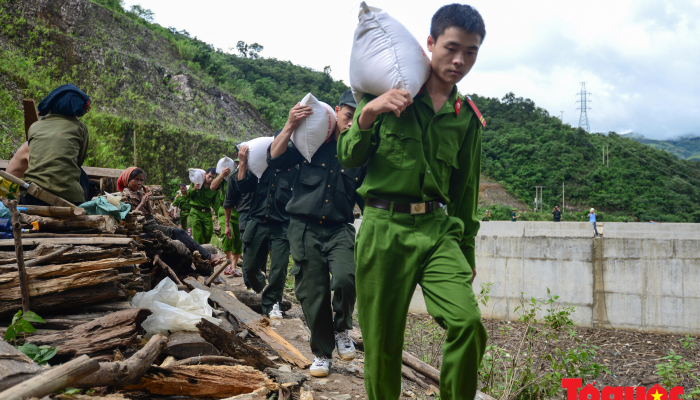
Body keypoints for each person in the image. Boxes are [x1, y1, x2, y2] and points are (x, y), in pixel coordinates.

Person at [337, 5, 488, 399]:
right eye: (452, 48)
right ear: (431, 44)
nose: (459, 60)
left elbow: (464, 197)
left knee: (467, 322)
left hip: (438, 232)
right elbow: (348, 156)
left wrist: (467, 255)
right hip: (384, 228)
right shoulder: (391, 93)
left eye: (470, 52)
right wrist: (367, 113)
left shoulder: (466, 118)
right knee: (382, 344)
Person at [268, 90, 365, 378]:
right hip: (304, 227)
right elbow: (275, 159)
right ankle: (322, 353)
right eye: (348, 116)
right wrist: (289, 125)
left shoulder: (361, 154)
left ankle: (341, 328)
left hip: (339, 228)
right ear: (337, 111)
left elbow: (368, 199)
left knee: (347, 278)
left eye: (357, 119)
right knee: (313, 294)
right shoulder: (313, 139)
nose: (351, 124)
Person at [234, 144, 298, 319]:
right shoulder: (260, 169)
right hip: (257, 222)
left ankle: (272, 304)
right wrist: (242, 163)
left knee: (279, 267)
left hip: (282, 226)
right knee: (249, 266)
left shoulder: (294, 172)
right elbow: (243, 186)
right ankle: (260, 284)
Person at [118, 167, 225, 267]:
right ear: (128, 180)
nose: (140, 183)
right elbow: (130, 217)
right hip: (143, 226)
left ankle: (203, 258)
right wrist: (142, 203)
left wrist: (147, 202)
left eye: (141, 180)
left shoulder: (140, 193)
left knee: (178, 237)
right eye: (136, 180)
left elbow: (150, 213)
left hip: (151, 222)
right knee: (180, 232)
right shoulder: (125, 196)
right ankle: (208, 256)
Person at [21, 84, 93, 205]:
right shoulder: (80, 128)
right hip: (68, 198)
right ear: (73, 111)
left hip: (31, 194)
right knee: (83, 177)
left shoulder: (35, 126)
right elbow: (78, 161)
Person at [213, 165, 242, 277]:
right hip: (224, 209)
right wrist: (221, 175)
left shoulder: (242, 178)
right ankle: (228, 263)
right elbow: (212, 187)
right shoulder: (224, 180)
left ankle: (234, 267)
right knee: (228, 235)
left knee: (238, 239)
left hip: (238, 210)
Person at [186, 168, 226, 244]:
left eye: (213, 177)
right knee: (198, 235)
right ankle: (200, 252)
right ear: (205, 174)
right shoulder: (197, 181)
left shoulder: (214, 188)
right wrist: (194, 189)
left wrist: (220, 219)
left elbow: (216, 205)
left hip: (207, 213)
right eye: (209, 176)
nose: (210, 179)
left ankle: (204, 248)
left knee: (209, 233)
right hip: (195, 212)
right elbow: (188, 195)